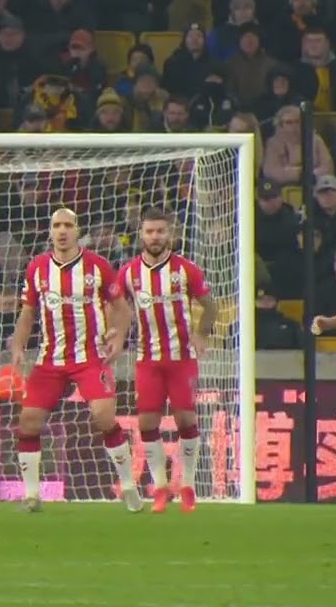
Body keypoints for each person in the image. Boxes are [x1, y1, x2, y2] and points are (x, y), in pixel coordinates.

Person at [9, 208, 141, 514]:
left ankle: (130, 489)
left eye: (68, 225)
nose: (63, 231)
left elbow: (122, 308)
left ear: (77, 230)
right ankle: (31, 496)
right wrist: (18, 345)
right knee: (28, 422)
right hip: (50, 359)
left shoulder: (97, 266)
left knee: (104, 417)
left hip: (90, 357)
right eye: (57, 225)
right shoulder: (38, 268)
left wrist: (119, 338)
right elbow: (27, 313)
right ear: (50, 231)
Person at [107, 208, 217, 513]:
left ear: (171, 234)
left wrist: (202, 334)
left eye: (160, 231)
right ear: (141, 234)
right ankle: (159, 488)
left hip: (181, 359)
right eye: (150, 231)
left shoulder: (186, 270)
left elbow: (210, 307)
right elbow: (115, 306)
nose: (155, 237)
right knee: (147, 422)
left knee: (185, 419)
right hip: (147, 360)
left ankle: (188, 486)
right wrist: (113, 334)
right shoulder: (128, 273)